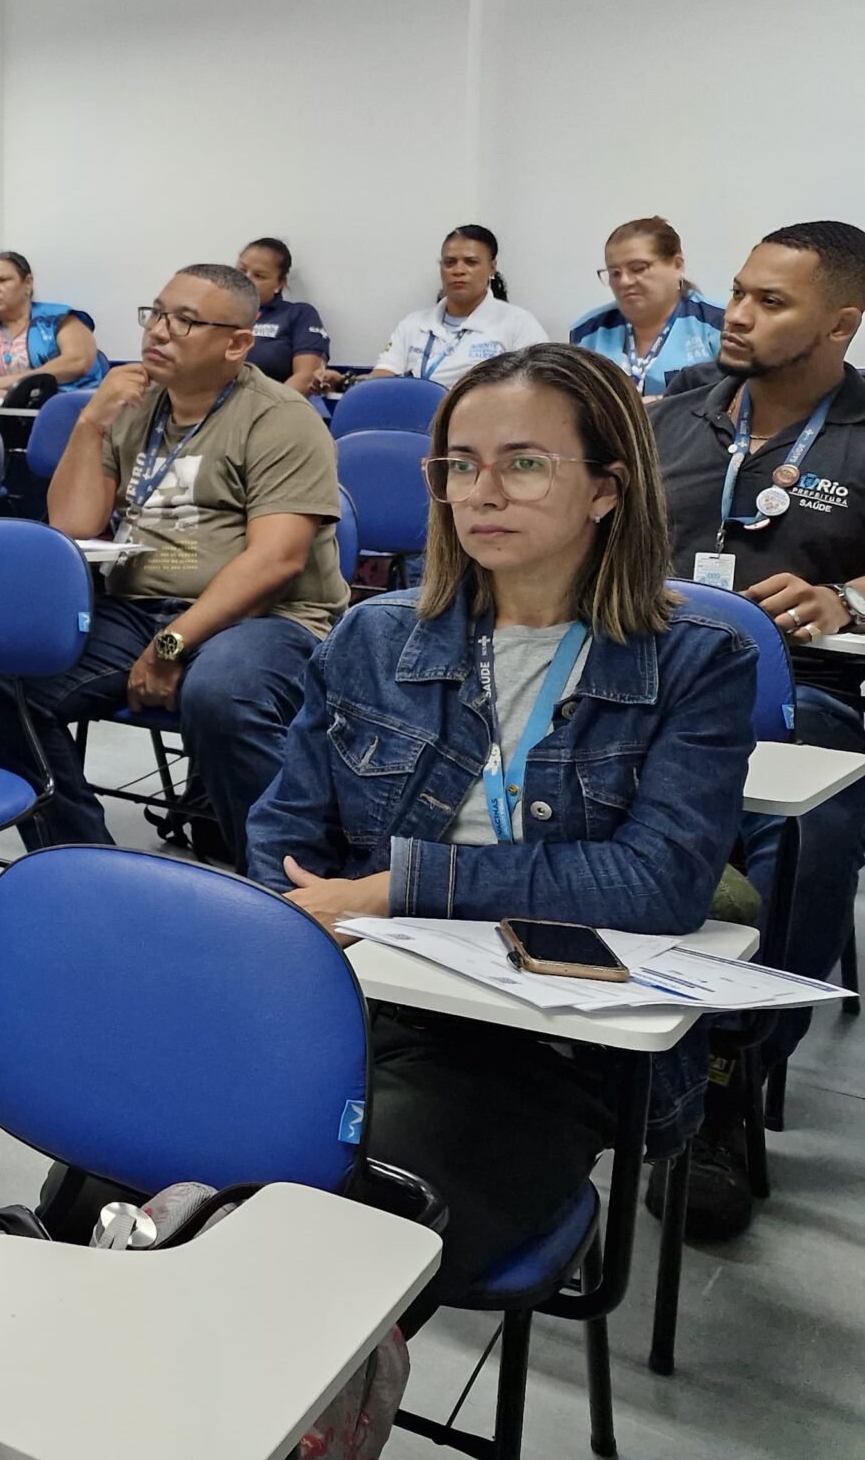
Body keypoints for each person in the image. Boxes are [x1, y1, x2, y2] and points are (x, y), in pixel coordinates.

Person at [249, 344, 754, 1324]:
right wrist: (312, 936)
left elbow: (656, 886)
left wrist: (395, 887)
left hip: (548, 1045)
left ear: (607, 488)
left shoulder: (697, 660)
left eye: (523, 462)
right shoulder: (372, 639)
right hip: (360, 1002)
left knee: (328, 1244)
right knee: (120, 1171)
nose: (480, 491)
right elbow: (283, 847)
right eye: (457, 465)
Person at [0, 264, 346, 863]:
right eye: (158, 313)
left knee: (220, 694)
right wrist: (91, 421)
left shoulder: (279, 418)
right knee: (3, 677)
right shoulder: (134, 406)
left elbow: (277, 560)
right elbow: (73, 524)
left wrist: (170, 647)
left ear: (237, 343)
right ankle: (80, 860)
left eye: (186, 321)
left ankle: (283, 880)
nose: (160, 332)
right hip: (137, 607)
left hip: (269, 618)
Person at [647, 220, 865, 1236]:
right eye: (737, 292)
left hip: (806, 690)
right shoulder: (672, 410)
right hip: (636, 675)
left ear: (840, 325)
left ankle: (728, 1077)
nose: (737, 315)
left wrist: (846, 599)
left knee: (817, 817)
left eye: (770, 303)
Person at [349, 226, 549, 389]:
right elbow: (383, 375)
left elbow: (540, 387)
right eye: (449, 262)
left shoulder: (518, 323)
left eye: (471, 262)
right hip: (415, 425)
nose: (458, 270)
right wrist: (343, 382)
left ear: (492, 267)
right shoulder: (413, 324)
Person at [569, 215, 724, 397]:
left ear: (677, 265)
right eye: (614, 273)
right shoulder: (588, 333)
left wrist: (660, 404)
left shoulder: (718, 325)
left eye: (638, 268)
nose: (624, 281)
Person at [0, 250, 106, 398]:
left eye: (3, 280)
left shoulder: (60, 319)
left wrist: (13, 384)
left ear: (27, 283)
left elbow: (77, 361)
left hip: (60, 412)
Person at [238, 238, 331, 396]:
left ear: (279, 283)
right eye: (241, 271)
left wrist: (269, 409)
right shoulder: (213, 313)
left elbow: (306, 376)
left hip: (271, 406)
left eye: (259, 276)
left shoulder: (299, 314)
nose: (246, 279)